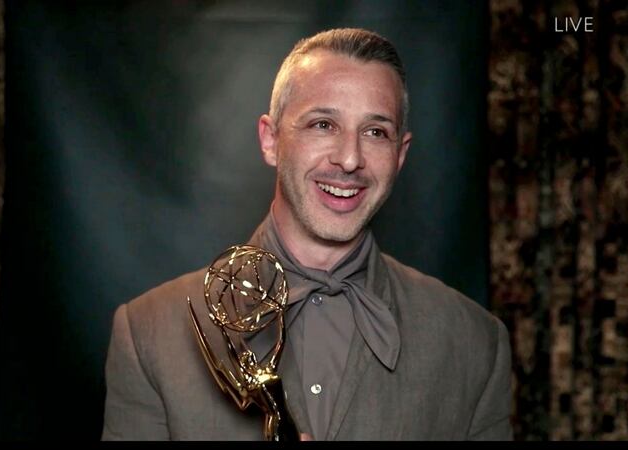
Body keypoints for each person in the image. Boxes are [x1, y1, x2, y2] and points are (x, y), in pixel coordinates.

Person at [101, 28, 513, 441]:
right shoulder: (149, 333)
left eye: (375, 132)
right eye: (323, 124)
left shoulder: (476, 343)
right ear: (271, 140)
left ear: (400, 155)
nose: (349, 159)